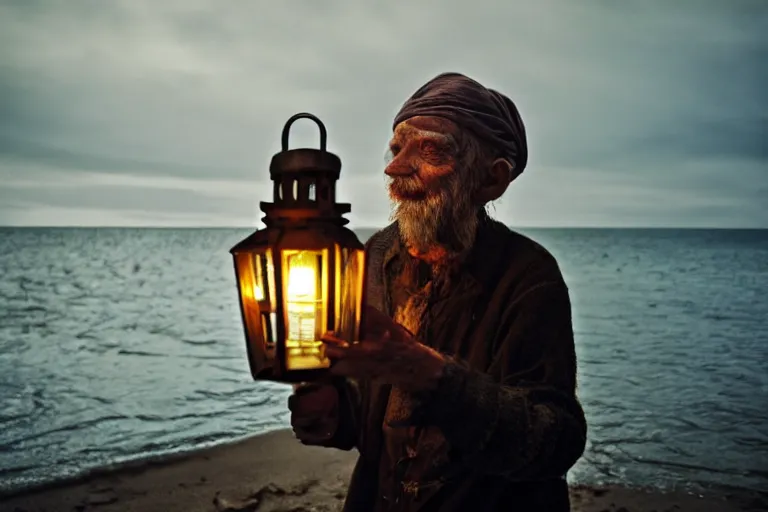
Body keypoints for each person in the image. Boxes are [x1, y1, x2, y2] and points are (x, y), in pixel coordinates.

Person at [288, 72, 587, 511]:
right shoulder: (377, 255)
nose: (395, 167)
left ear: (491, 180)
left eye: (428, 149)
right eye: (396, 149)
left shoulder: (528, 276)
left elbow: (554, 439)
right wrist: (331, 409)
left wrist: (425, 372)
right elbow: (373, 415)